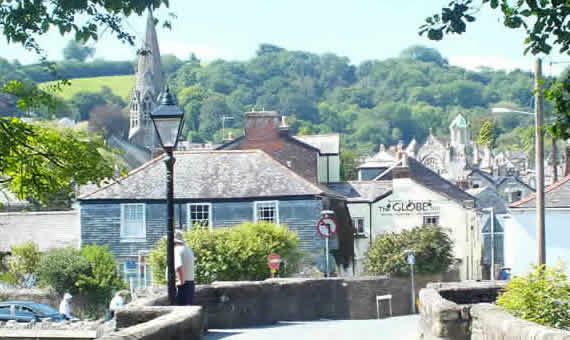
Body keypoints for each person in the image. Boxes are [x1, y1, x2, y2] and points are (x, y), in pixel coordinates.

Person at [166, 230, 195, 305]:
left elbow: (179, 267)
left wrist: (180, 282)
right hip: (190, 284)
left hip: (182, 286)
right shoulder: (188, 249)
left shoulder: (176, 250)